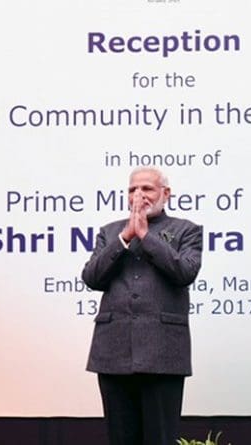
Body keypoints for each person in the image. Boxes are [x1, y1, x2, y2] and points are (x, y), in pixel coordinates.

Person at [82, 166, 203, 445]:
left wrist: (146, 237)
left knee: (160, 438)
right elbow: (91, 277)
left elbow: (185, 272)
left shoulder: (187, 230)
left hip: (163, 352)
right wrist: (125, 238)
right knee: (120, 438)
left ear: (166, 193)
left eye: (147, 188)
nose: (139, 195)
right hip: (113, 351)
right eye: (133, 189)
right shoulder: (110, 232)